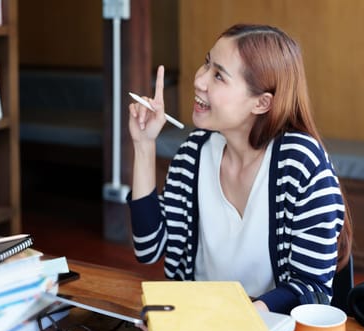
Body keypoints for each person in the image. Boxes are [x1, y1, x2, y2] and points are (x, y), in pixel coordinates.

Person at [127, 23, 352, 314]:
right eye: (207, 64)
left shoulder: (300, 163)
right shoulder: (193, 154)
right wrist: (144, 145)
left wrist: (235, 317)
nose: (199, 80)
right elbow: (149, 248)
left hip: (270, 328)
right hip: (196, 319)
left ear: (261, 102)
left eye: (218, 75)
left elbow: (311, 288)